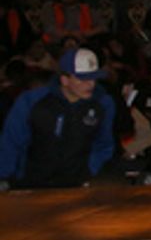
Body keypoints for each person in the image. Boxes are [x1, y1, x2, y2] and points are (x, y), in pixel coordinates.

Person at [0, 48, 115, 188]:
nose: (91, 84)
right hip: (30, 183)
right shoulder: (31, 101)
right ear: (65, 80)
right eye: (83, 79)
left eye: (94, 78)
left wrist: (89, 170)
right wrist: (5, 177)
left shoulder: (103, 104)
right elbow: (11, 141)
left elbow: (104, 143)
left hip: (75, 184)